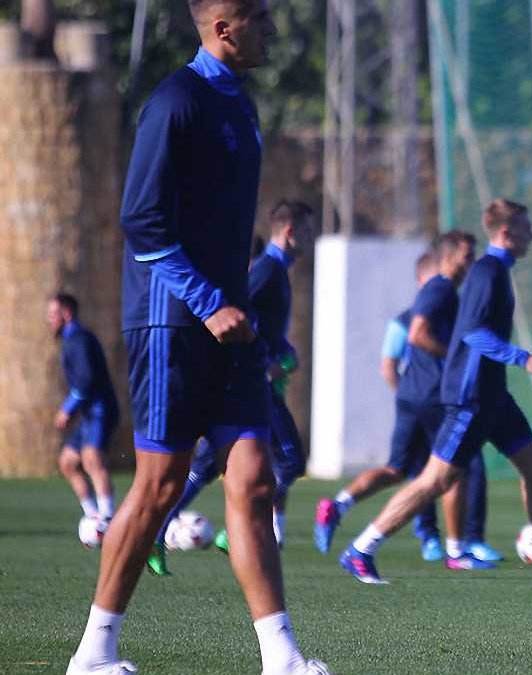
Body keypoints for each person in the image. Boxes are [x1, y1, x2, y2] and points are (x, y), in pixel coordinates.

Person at [66, 2, 328, 673]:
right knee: (160, 484)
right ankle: (94, 652)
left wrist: (238, 315)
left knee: (255, 479)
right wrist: (209, 302)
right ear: (223, 28)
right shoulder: (175, 102)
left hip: (228, 328)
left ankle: (282, 658)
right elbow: (142, 222)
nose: (272, 28)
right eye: (260, 17)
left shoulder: (239, 103)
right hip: (172, 323)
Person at [337, 199, 532, 584]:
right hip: (471, 397)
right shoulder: (487, 272)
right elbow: (473, 333)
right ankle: (362, 549)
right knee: (436, 480)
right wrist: (522, 357)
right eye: (526, 227)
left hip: (494, 395)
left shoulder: (497, 271)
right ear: (507, 233)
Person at [145, 200, 317, 576]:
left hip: (251, 378)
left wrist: (283, 350)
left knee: (204, 467)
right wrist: (263, 359)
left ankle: (155, 534)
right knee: (291, 461)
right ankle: (231, 533)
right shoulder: (269, 270)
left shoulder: (276, 271)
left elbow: (262, 324)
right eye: (307, 231)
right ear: (290, 232)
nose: (311, 238)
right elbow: (240, 310)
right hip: (253, 382)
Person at [315, 233, 502, 566]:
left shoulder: (427, 302)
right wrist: (454, 357)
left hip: (410, 397)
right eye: (466, 255)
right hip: (434, 398)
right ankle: (457, 550)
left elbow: (395, 361)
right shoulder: (441, 290)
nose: (471, 262)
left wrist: (404, 394)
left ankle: (339, 504)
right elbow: (417, 336)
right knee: (455, 469)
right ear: (444, 261)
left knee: (398, 469)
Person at [48, 293, 121, 530]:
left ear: (67, 313)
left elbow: (85, 380)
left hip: (101, 410)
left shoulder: (79, 339)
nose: (49, 319)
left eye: (53, 314)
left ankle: (108, 519)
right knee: (68, 462)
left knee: (92, 460)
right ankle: (93, 517)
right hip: (89, 414)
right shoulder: (71, 339)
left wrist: (67, 409)